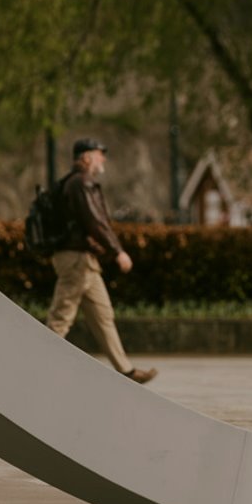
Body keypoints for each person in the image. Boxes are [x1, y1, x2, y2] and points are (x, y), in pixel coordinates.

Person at [45, 138, 158, 384]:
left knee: (103, 315)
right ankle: (39, 367)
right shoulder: (81, 183)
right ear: (86, 158)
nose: (103, 159)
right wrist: (118, 251)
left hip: (85, 260)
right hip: (76, 259)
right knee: (61, 318)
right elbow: (95, 221)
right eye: (99, 154)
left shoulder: (72, 183)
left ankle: (126, 370)